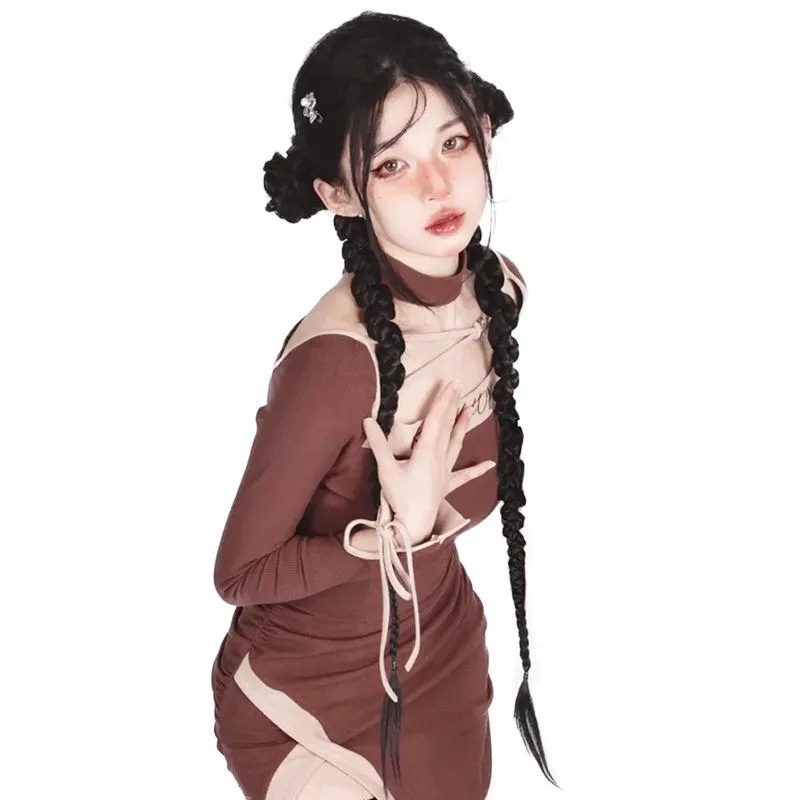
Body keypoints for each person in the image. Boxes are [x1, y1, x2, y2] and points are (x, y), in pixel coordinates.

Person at [210, 11, 559, 800]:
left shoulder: (500, 291)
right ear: (338, 193)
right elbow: (239, 573)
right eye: (392, 164)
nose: (437, 185)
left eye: (452, 142)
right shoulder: (337, 365)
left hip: (440, 657)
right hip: (306, 698)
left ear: (485, 133)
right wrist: (394, 533)